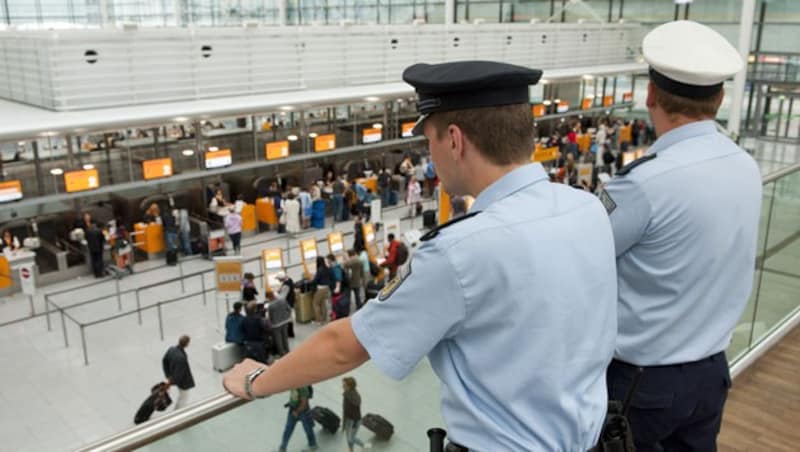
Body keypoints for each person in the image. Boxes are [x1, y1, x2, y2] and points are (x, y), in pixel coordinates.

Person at [223, 61, 617, 451]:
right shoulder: (586, 207)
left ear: (454, 140)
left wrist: (255, 381)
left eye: (429, 139)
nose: (429, 154)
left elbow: (345, 345)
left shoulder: (460, 250)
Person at [600, 21, 762, 452]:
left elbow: (585, 257)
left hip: (642, 384)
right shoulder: (746, 167)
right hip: (710, 374)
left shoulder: (641, 184)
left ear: (651, 96)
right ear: (720, 97)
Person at [276, 385, 317, 452]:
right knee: (288, 430)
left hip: (302, 411)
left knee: (308, 429)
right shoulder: (293, 383)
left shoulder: (302, 386)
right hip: (293, 409)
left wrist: (296, 412)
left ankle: (313, 445)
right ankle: (282, 448)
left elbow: (304, 403)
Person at [162, 335, 195, 410]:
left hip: (173, 377)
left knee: (182, 397)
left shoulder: (171, 349)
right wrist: (172, 382)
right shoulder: (181, 358)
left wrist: (168, 375)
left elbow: (164, 361)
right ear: (187, 344)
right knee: (183, 397)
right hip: (183, 382)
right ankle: (178, 411)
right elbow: (179, 374)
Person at [342, 377, 369, 452]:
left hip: (354, 421)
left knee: (351, 438)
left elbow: (356, 412)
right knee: (348, 437)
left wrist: (354, 424)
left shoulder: (353, 397)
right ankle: (351, 450)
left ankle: (364, 445)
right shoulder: (347, 394)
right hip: (348, 419)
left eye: (344, 385)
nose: (342, 386)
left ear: (350, 386)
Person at [266, 290, 291, 357]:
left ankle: (282, 354)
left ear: (268, 297)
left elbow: (270, 317)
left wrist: (270, 324)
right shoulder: (283, 300)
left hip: (276, 325)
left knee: (278, 340)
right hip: (285, 321)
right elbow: (289, 309)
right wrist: (288, 316)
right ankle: (288, 351)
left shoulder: (270, 306)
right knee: (285, 337)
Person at [309, 256, 333, 324]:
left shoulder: (320, 270)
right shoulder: (327, 268)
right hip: (327, 288)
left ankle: (318, 320)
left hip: (321, 289)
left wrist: (310, 281)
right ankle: (324, 318)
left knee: (315, 303)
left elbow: (315, 280)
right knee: (322, 303)